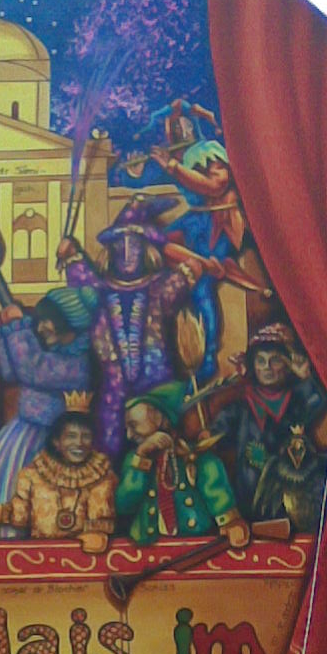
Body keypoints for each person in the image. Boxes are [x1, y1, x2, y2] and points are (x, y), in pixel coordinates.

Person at [57, 198, 203, 462]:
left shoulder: (159, 288)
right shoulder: (99, 289)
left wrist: (186, 263)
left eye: (134, 244)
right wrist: (70, 254)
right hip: (112, 389)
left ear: (146, 249)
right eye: (119, 245)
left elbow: (191, 271)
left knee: (161, 447)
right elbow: (79, 274)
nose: (127, 253)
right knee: (109, 448)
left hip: (155, 386)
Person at [0, 287, 97, 539]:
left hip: (50, 443)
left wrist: (18, 327)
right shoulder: (53, 353)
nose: (42, 327)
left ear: (70, 323)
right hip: (22, 433)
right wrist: (4, 333)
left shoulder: (78, 364)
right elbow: (11, 373)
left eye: (49, 321)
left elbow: (31, 369)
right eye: (41, 320)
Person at [210, 322, 327, 532]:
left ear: (288, 365)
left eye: (275, 360)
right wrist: (207, 436)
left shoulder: (296, 402)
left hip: (285, 502)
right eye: (261, 361)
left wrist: (306, 378)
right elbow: (218, 432)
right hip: (247, 499)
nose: (267, 367)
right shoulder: (241, 406)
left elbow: (316, 401)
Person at [115, 381, 249, 546]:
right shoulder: (134, 460)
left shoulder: (197, 457)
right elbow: (124, 505)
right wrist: (142, 458)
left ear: (159, 418)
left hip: (192, 543)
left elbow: (216, 491)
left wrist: (230, 522)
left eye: (134, 425)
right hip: (148, 547)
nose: (129, 435)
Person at [0, 401, 116, 553]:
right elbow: (21, 516)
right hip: (39, 555)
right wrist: (2, 513)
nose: (79, 443)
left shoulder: (101, 476)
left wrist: (96, 534)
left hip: (81, 558)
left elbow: (100, 517)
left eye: (86, 437)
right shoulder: (32, 474)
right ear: (57, 442)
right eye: (71, 436)